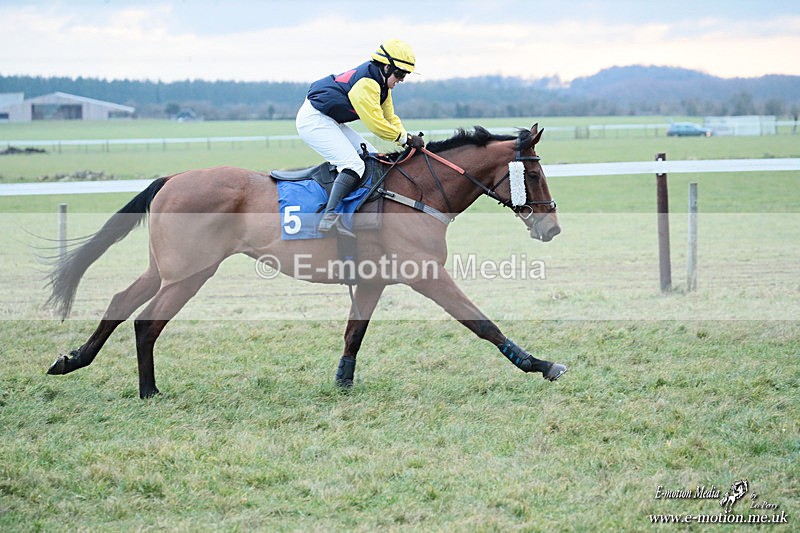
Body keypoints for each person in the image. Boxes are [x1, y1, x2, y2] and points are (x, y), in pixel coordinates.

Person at [296, 38, 425, 234]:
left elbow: (389, 117)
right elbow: (376, 123)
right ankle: (329, 218)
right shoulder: (367, 84)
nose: (402, 79)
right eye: (400, 73)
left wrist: (406, 136)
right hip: (314, 120)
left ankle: (359, 211)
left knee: (372, 156)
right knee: (353, 165)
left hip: (330, 120)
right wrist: (404, 139)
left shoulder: (382, 84)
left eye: (405, 74)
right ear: (386, 67)